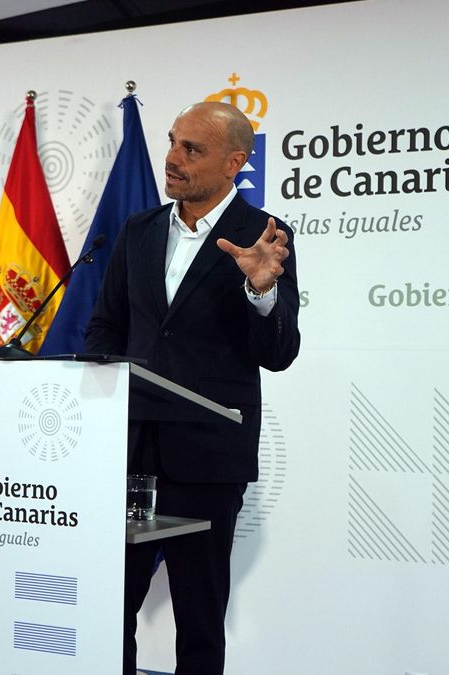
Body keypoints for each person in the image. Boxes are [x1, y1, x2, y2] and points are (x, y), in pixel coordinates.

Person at [85, 101, 300, 674]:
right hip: (127, 451)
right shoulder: (139, 229)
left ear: (235, 162)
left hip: (207, 454)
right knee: (107, 607)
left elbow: (278, 353)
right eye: (173, 142)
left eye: (192, 149)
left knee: (200, 618)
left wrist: (262, 292)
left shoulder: (264, 236)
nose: (173, 159)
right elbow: (107, 325)